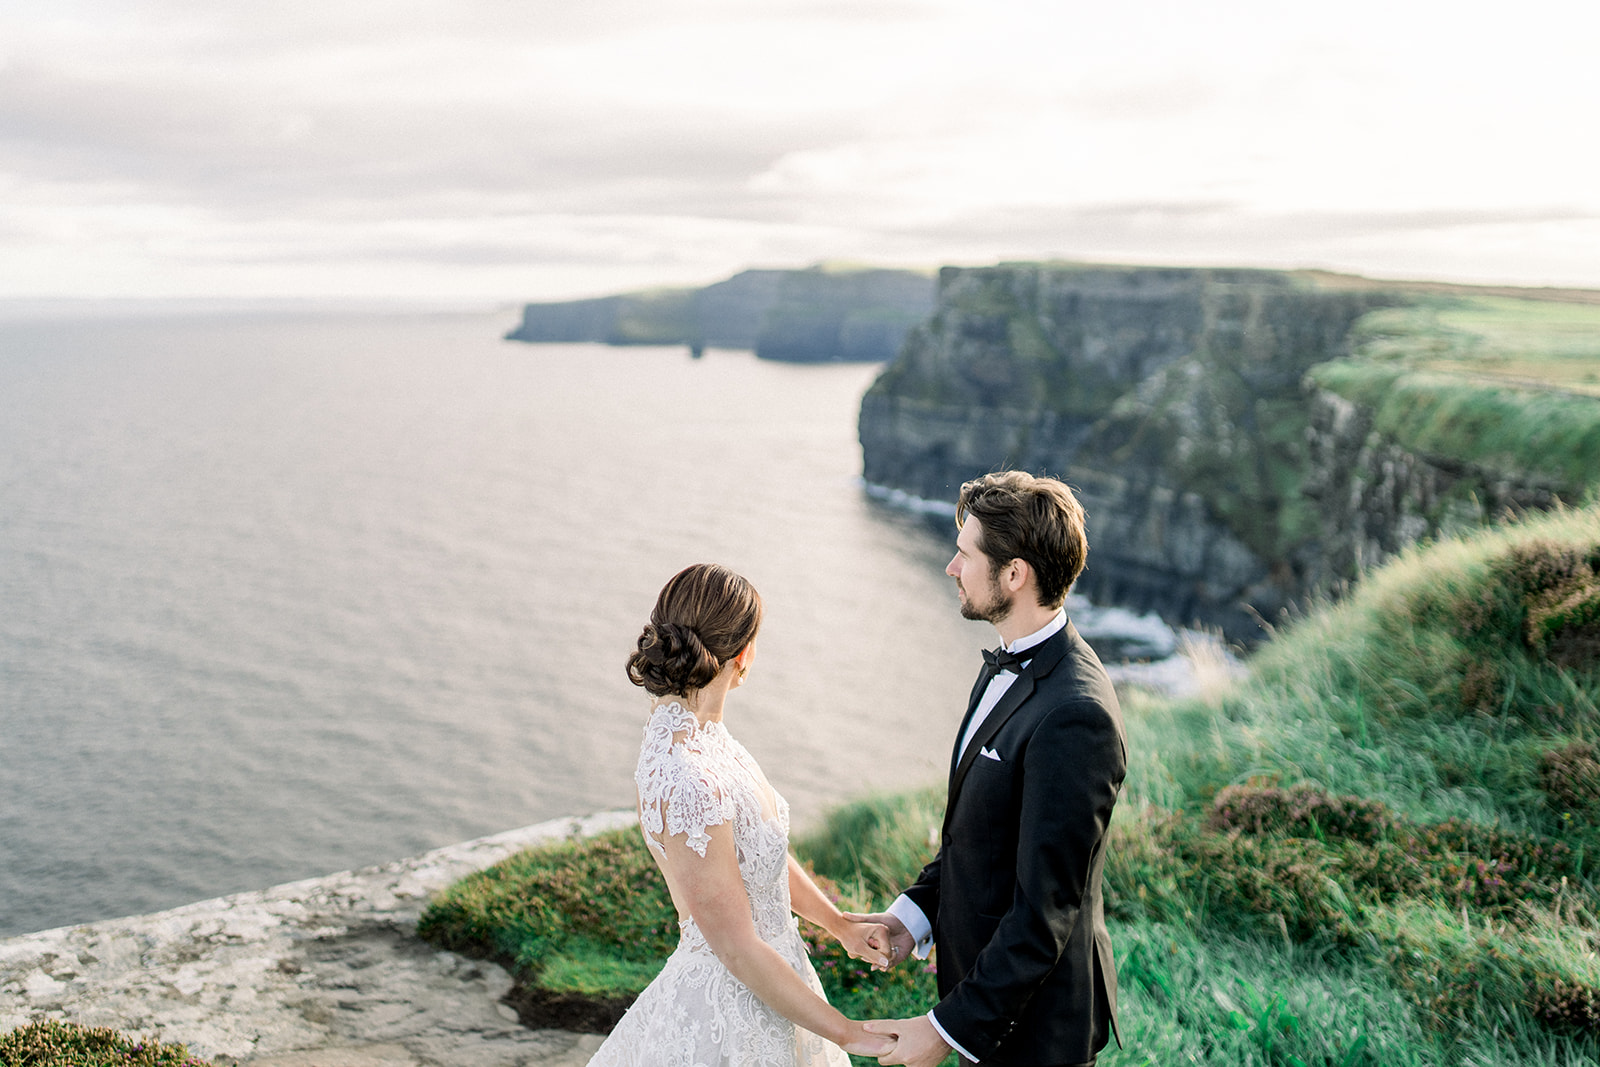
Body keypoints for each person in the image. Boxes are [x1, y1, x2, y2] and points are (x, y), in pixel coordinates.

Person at [851, 471, 1128, 1067]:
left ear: (1014, 574)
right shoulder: (1005, 663)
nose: (951, 567)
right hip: (988, 1000)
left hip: (1037, 1030)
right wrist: (912, 916)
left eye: (964, 553)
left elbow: (1045, 913)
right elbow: (979, 835)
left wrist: (944, 1029)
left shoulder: (1075, 715)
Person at [588, 563, 897, 1066]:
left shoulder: (704, 735)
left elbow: (758, 857)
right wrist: (848, 1033)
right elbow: (735, 948)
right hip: (728, 1012)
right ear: (744, 654)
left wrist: (838, 923)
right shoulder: (685, 773)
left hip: (778, 979)